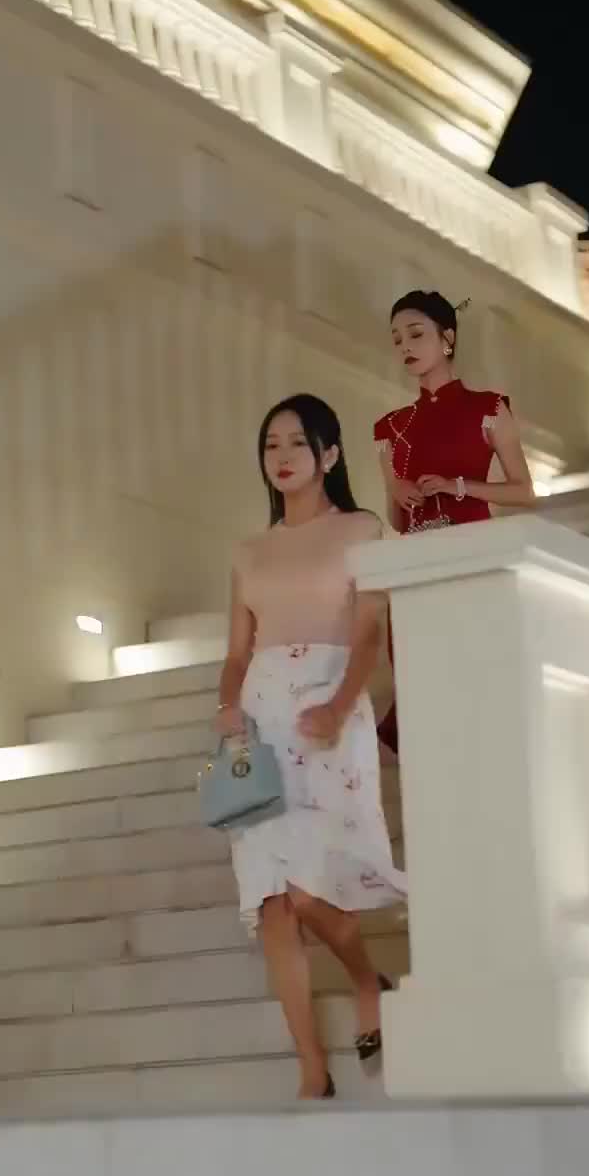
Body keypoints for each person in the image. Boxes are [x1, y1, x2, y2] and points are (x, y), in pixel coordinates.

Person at [216, 395, 406, 1101]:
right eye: (272, 445)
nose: (283, 456)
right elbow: (237, 652)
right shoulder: (248, 551)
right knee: (271, 899)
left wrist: (339, 702)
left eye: (298, 442)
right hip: (262, 722)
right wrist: (227, 705)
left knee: (307, 888)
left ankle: (366, 981)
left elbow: (368, 633)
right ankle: (311, 1070)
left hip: (330, 710)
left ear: (329, 454)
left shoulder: (363, 530)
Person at [374, 289, 536, 755]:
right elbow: (397, 521)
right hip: (417, 569)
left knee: (471, 678)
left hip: (472, 559)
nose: (405, 347)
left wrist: (457, 486)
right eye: (397, 339)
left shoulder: (488, 409)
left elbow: (524, 492)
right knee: (424, 686)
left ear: (447, 338)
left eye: (416, 334)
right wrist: (397, 493)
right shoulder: (390, 428)